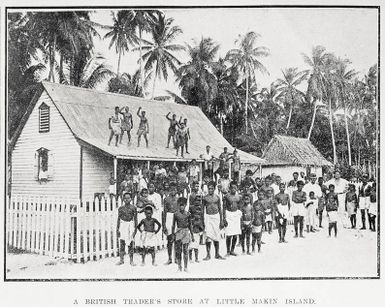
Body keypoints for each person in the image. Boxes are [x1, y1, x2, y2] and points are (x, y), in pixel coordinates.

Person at [202, 181, 225, 260]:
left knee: (216, 236)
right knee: (208, 236)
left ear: (214, 189)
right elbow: (202, 210)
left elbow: (220, 209)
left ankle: (217, 254)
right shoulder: (205, 198)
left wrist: (221, 220)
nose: (210, 190)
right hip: (208, 217)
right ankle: (208, 254)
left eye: (212, 188)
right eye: (209, 188)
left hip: (216, 217)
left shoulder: (217, 197)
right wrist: (202, 221)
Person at [172, 197, 194, 272]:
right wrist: (173, 234)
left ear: (185, 205)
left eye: (183, 205)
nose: (182, 207)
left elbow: (190, 225)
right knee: (178, 250)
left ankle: (185, 267)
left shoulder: (188, 214)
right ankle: (179, 266)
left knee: (185, 250)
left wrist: (192, 235)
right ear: (178, 205)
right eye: (180, 205)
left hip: (186, 231)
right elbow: (173, 225)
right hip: (178, 231)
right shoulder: (176, 214)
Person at [116, 193, 137, 266]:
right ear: (123, 199)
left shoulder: (133, 208)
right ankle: (121, 260)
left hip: (130, 225)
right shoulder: (121, 208)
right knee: (122, 243)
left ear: (131, 199)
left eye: (128, 198)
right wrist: (117, 229)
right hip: (123, 226)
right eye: (125, 198)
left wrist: (135, 230)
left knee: (130, 244)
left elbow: (135, 219)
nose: (127, 200)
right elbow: (118, 219)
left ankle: (131, 260)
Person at [223, 181, 242, 256]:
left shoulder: (239, 197)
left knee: (235, 234)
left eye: (235, 188)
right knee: (229, 234)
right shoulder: (227, 196)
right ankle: (228, 251)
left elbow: (240, 207)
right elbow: (224, 207)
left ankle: (232, 250)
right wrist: (224, 218)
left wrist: (240, 217)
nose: (233, 189)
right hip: (229, 215)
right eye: (232, 188)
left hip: (236, 215)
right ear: (230, 188)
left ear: (237, 188)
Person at [163, 182, 179, 265]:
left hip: (176, 218)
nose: (173, 191)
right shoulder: (166, 199)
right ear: (169, 190)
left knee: (176, 239)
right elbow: (164, 212)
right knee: (170, 239)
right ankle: (169, 258)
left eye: (175, 189)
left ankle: (176, 258)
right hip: (169, 217)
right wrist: (164, 225)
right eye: (172, 189)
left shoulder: (178, 199)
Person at [189, 194, 205, 263]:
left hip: (198, 228)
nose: (198, 202)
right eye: (197, 200)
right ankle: (190, 258)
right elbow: (189, 217)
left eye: (199, 200)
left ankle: (196, 258)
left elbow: (202, 217)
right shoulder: (191, 207)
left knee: (196, 245)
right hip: (192, 227)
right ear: (194, 200)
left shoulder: (201, 208)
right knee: (190, 246)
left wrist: (202, 227)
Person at [148, 183, 163, 248]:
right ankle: (149, 245)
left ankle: (157, 245)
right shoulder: (146, 196)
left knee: (156, 228)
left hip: (155, 214)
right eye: (150, 187)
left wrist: (152, 204)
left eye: (152, 187)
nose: (151, 188)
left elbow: (158, 207)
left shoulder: (157, 196)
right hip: (148, 214)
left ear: (154, 188)